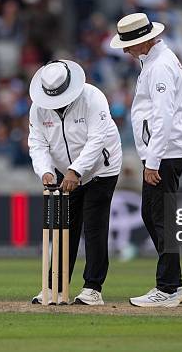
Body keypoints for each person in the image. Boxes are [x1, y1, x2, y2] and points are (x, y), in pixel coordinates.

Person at [110, 13, 182, 307]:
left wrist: (152, 160)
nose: (124, 50)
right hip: (165, 150)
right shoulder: (156, 61)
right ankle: (173, 284)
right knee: (154, 215)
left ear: (143, 41)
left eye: (128, 44)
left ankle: (169, 287)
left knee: (159, 218)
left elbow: (163, 115)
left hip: (165, 152)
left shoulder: (160, 66)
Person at [28, 60, 122, 305]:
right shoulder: (38, 108)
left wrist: (76, 171)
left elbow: (97, 139)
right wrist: (46, 172)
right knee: (63, 229)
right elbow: (37, 143)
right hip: (65, 172)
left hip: (102, 168)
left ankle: (93, 288)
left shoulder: (93, 98)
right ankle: (54, 287)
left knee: (94, 227)